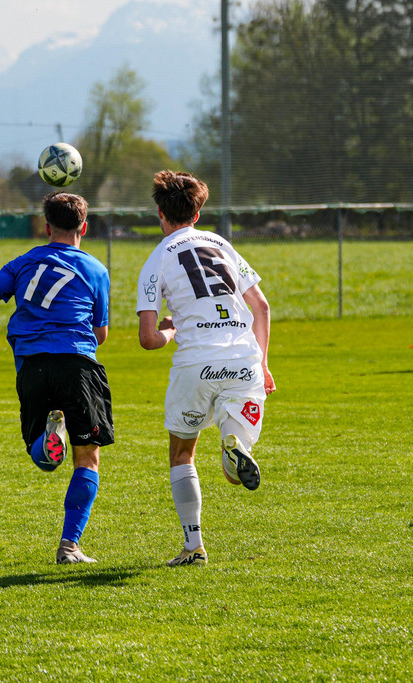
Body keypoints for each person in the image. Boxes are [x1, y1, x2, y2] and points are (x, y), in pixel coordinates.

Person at [0, 191, 113, 564]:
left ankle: (48, 437)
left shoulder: (23, 262)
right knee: (87, 456)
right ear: (84, 228)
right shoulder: (95, 269)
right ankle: (69, 546)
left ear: (46, 227)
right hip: (76, 363)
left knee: (42, 457)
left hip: (31, 366)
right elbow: (101, 333)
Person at [137, 170, 276, 567]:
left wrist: (171, 329)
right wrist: (263, 363)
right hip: (243, 357)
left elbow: (148, 339)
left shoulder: (156, 260)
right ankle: (234, 443)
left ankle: (193, 546)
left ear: (160, 214)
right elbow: (262, 307)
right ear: (197, 214)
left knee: (182, 452)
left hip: (195, 363)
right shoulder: (221, 244)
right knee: (232, 471)